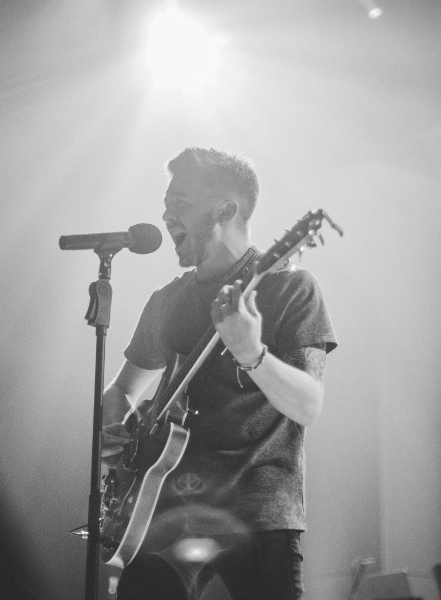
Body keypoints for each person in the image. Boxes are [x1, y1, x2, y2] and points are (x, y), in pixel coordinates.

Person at [101, 147, 337, 600]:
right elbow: (122, 388)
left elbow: (308, 404)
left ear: (226, 208)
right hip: (167, 508)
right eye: (167, 204)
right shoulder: (166, 300)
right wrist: (115, 437)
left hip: (259, 511)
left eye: (182, 203)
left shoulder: (289, 288)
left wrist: (252, 352)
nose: (167, 215)